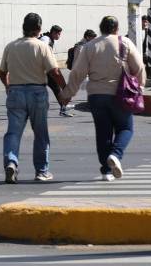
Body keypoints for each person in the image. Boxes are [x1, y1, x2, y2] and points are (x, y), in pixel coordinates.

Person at [60, 16, 146, 182]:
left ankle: (106, 171)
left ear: (101, 28)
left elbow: (77, 73)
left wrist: (67, 94)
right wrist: (140, 88)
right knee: (125, 128)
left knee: (103, 132)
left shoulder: (90, 46)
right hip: (120, 95)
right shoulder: (124, 43)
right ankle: (116, 154)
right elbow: (139, 68)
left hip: (96, 96)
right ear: (116, 29)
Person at [0, 13, 67, 183]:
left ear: (23, 27)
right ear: (39, 29)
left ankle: (11, 162)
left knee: (13, 133)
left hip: (15, 92)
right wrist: (66, 90)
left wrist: (8, 86)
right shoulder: (42, 47)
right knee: (41, 133)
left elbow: (2, 73)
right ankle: (42, 171)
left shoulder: (11, 46)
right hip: (37, 92)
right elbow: (55, 72)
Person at [39, 25, 69, 117]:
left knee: (56, 88)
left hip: (45, 70)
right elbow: (42, 48)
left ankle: (63, 109)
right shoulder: (46, 38)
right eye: (58, 34)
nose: (59, 36)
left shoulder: (49, 39)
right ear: (53, 33)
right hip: (42, 70)